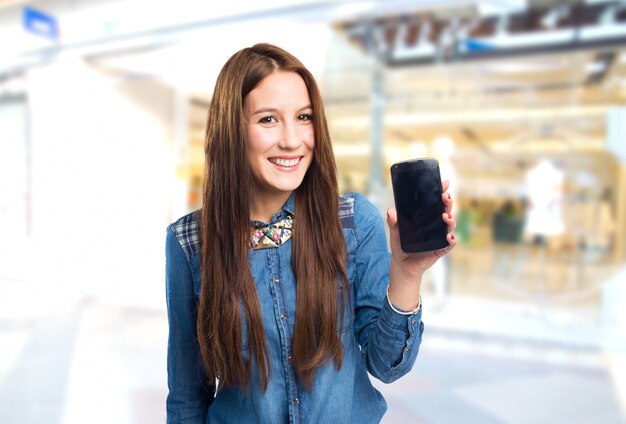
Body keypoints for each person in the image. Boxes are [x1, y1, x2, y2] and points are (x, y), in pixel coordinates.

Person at [165, 43, 457, 424]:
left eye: (304, 117)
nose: (292, 140)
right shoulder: (191, 242)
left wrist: (407, 274)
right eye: (268, 119)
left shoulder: (352, 222)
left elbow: (387, 366)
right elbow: (188, 396)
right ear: (231, 128)